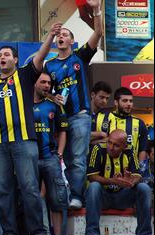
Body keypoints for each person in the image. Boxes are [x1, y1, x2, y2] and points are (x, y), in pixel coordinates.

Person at [0, 23, 61, 235]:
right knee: (3, 191)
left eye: (6, 54)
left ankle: (38, 233)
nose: (2, 57)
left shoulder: (25, 75)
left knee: (29, 188)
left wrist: (50, 36)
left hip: (24, 141)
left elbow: (41, 56)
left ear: (15, 60)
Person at [44, 0, 103, 210]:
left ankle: (77, 196)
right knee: (66, 159)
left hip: (80, 116)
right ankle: (69, 195)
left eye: (65, 34)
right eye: (59, 35)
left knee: (78, 158)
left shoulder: (80, 56)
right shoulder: (48, 65)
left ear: (72, 41)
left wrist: (96, 10)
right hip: (60, 120)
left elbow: (98, 34)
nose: (61, 36)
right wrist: (52, 98)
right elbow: (43, 90)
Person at [84, 129, 153, 235]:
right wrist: (113, 181)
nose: (111, 147)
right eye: (109, 142)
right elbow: (92, 177)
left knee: (144, 188)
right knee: (93, 187)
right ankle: (91, 234)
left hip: (123, 197)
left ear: (124, 146)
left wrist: (130, 181)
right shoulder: (98, 149)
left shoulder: (130, 150)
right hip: (103, 198)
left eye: (116, 145)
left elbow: (138, 175)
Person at [33, 72, 69, 235]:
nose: (47, 85)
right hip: (29, 159)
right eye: (43, 82)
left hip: (50, 157)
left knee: (56, 199)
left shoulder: (55, 105)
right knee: (32, 198)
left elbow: (62, 131)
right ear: (35, 83)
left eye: (49, 83)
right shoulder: (23, 104)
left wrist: (59, 154)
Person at [93, 87, 149, 162]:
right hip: (104, 168)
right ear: (116, 102)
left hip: (130, 170)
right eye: (125, 101)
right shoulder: (101, 118)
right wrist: (104, 140)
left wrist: (140, 169)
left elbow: (143, 149)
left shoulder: (139, 123)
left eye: (131, 101)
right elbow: (88, 141)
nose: (129, 104)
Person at [90, 81, 112, 145]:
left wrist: (92, 141)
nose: (104, 101)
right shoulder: (82, 112)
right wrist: (100, 134)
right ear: (92, 95)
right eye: (101, 97)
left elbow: (110, 139)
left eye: (107, 98)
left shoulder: (108, 116)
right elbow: (77, 135)